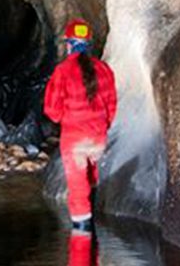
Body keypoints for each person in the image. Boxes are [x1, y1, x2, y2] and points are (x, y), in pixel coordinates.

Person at [44, 18, 117, 233]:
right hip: (98, 138)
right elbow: (111, 106)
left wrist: (65, 118)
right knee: (92, 178)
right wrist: (102, 126)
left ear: (69, 44)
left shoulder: (63, 70)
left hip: (74, 139)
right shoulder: (104, 69)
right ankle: (96, 239)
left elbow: (52, 110)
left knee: (78, 191)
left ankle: (82, 240)